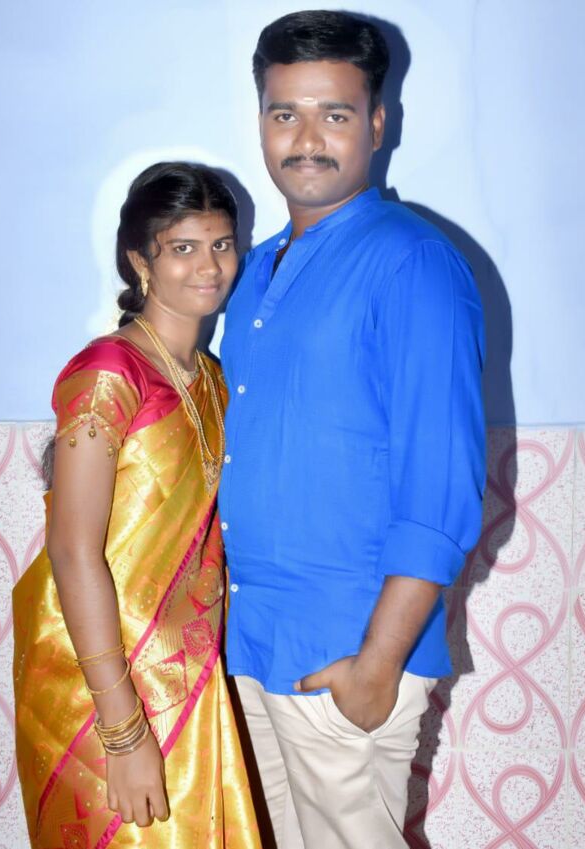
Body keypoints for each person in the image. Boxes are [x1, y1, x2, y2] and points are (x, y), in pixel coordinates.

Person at [219, 11, 485, 849]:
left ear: (376, 122)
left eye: (334, 113)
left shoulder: (414, 263)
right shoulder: (251, 272)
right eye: (284, 113)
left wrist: (377, 664)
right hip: (254, 642)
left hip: (348, 652)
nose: (306, 139)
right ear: (261, 121)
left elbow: (441, 487)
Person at [13, 162, 261, 848]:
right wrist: (122, 729)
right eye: (183, 247)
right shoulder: (109, 373)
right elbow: (72, 551)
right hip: (104, 680)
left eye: (221, 244)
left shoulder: (210, 379)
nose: (208, 266)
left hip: (187, 671)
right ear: (140, 261)